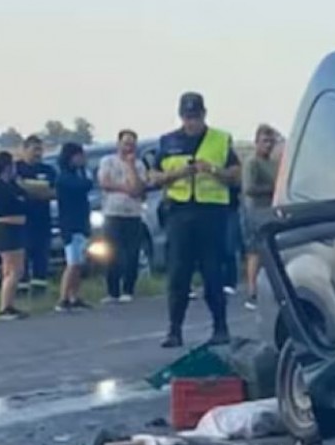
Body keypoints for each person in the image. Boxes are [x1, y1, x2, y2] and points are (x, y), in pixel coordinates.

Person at [154, 91, 241, 349]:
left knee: (212, 271)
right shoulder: (168, 142)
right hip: (179, 212)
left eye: (196, 116)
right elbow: (153, 177)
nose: (191, 122)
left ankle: (220, 328)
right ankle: (174, 331)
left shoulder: (221, 140)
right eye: (187, 116)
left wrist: (213, 170)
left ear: (204, 114)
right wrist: (179, 173)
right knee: (178, 274)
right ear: (181, 116)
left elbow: (236, 176)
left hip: (210, 213)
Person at [96, 129, 152, 303]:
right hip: (113, 213)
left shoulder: (140, 165)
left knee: (132, 253)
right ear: (118, 143)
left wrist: (130, 166)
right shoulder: (108, 161)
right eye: (125, 143)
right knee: (112, 253)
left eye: (131, 144)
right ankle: (112, 291)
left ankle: (128, 289)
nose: (128, 147)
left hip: (133, 215)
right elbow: (104, 182)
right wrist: (125, 188)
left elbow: (138, 188)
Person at [0, 151, 31, 320]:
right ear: (7, 166)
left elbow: (25, 195)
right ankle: (5, 308)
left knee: (11, 269)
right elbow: (18, 201)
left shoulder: (9, 184)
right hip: (7, 229)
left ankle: (9, 304)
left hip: (15, 229)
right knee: (14, 270)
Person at [240, 124, 281, 307]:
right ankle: (252, 291)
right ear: (257, 142)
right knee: (254, 253)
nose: (268, 145)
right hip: (254, 211)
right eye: (265, 141)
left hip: (267, 211)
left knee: (267, 251)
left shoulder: (271, 162)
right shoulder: (252, 162)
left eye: (271, 141)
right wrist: (273, 189)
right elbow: (249, 188)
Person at [52, 141, 95, 312]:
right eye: (79, 156)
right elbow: (86, 185)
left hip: (81, 223)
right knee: (73, 262)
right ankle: (63, 298)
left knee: (80, 262)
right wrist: (86, 171)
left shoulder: (75, 175)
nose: (83, 159)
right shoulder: (64, 178)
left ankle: (74, 296)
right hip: (70, 226)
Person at [13, 135, 56, 292]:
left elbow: (53, 193)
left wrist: (26, 189)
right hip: (22, 221)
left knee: (41, 257)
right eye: (34, 149)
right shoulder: (15, 169)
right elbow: (12, 191)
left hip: (42, 221)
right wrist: (38, 190)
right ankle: (21, 289)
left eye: (40, 150)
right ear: (24, 149)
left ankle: (39, 289)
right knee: (22, 256)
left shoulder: (48, 170)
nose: (38, 153)